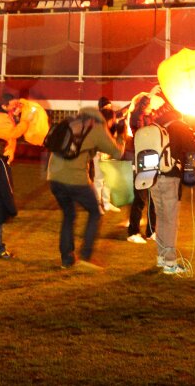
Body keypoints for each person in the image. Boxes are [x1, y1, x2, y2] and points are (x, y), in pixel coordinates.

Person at [45, 106, 124, 270]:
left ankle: (67, 259)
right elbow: (117, 153)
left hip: (54, 177)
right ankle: (85, 257)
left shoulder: (70, 121)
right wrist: (121, 136)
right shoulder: (96, 128)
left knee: (68, 215)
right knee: (94, 212)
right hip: (75, 179)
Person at [145, 100, 195, 275]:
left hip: (152, 178)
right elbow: (193, 149)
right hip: (170, 178)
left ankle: (161, 258)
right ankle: (170, 263)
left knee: (161, 219)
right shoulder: (179, 126)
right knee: (171, 221)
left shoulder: (155, 126)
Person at [124, 92, 157, 243]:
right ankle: (133, 232)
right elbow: (138, 113)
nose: (152, 107)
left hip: (151, 159)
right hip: (141, 161)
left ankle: (151, 231)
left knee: (153, 199)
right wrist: (149, 95)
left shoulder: (151, 118)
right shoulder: (137, 117)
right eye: (148, 104)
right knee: (140, 198)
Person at [93, 96, 121, 214]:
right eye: (107, 106)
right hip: (99, 153)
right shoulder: (97, 122)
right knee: (99, 179)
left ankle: (106, 202)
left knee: (108, 179)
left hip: (109, 152)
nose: (109, 108)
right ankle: (97, 204)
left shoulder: (112, 121)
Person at [0, 93, 29, 162]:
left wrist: (14, 115)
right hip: (3, 154)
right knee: (2, 172)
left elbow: (7, 116)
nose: (14, 106)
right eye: (12, 105)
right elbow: (14, 133)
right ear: (4, 106)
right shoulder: (3, 120)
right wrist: (25, 121)